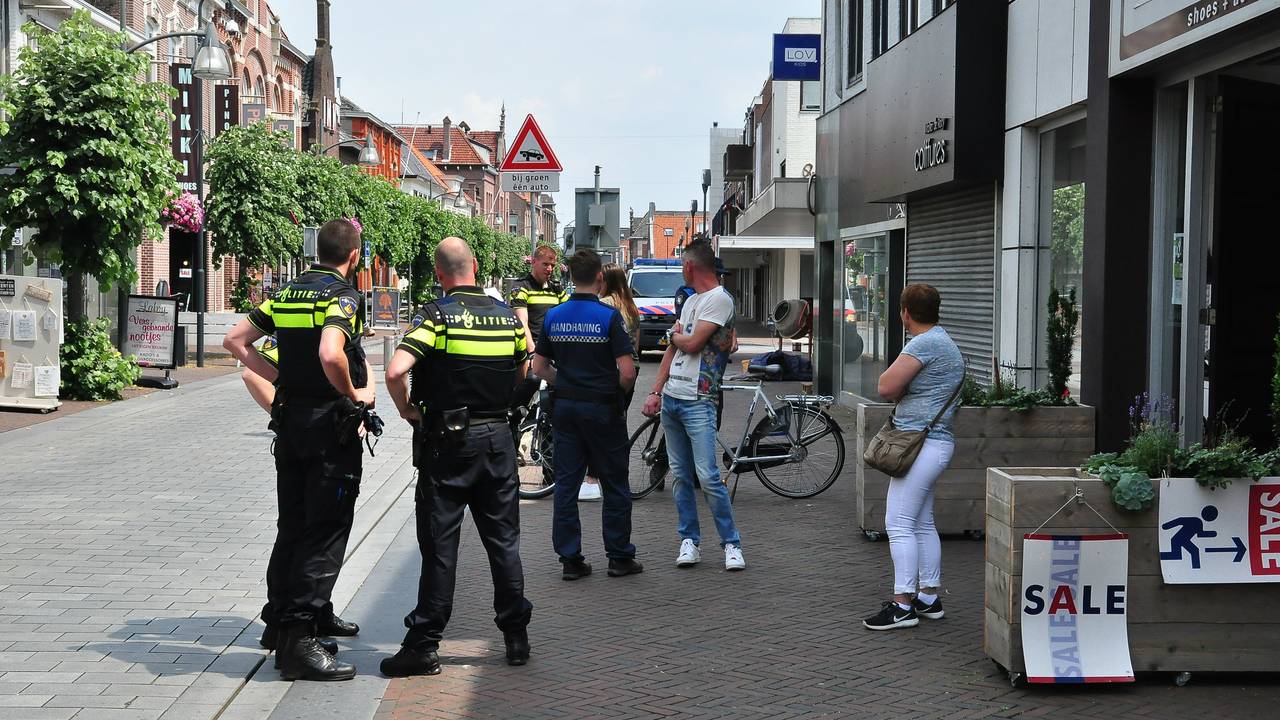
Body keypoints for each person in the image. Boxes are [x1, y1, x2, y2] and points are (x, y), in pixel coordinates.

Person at [223, 219, 373, 681]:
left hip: (292, 424)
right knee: (324, 532)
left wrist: (282, 380)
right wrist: (352, 394)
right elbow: (332, 352)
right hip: (329, 426)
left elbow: (234, 340)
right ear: (353, 257)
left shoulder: (286, 294)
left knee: (292, 525)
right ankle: (300, 642)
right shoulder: (343, 296)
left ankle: (281, 622)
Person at [381, 237, 533, 677]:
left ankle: (425, 645)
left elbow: (395, 370)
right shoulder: (507, 318)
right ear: (477, 266)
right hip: (498, 440)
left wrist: (409, 409)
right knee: (503, 542)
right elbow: (526, 368)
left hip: (447, 445)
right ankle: (516, 637)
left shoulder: (435, 316)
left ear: (439, 274)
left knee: (441, 548)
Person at [239, 337, 372, 666]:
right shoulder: (316, 309)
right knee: (307, 533)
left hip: (325, 433)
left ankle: (315, 613)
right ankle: (283, 622)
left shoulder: (337, 312)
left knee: (308, 532)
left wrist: (360, 400)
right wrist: (287, 411)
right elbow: (251, 373)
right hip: (313, 439)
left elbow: (356, 362)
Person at [532, 249, 640, 581]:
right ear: (599, 278)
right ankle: (619, 557)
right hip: (603, 409)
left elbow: (538, 367)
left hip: (566, 409)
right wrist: (615, 392)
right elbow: (628, 370)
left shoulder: (554, 315)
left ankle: (570, 560)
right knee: (615, 483)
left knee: (566, 484)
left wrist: (564, 382)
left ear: (569, 276)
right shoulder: (609, 318)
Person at [862, 283, 964, 631]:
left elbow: (885, 387)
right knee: (921, 522)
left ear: (905, 312)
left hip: (919, 444)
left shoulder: (925, 343)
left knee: (898, 523)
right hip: (935, 443)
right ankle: (929, 598)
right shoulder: (944, 342)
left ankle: (902, 605)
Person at [641, 239, 745, 571]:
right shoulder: (691, 302)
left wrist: (673, 337)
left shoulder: (720, 300)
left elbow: (693, 342)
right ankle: (690, 541)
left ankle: (732, 544)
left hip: (700, 399)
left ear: (690, 267)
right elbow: (674, 350)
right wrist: (656, 391)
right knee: (682, 476)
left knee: (708, 475)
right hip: (673, 398)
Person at [579, 263, 641, 501]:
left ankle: (593, 479)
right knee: (617, 422)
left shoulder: (604, 306)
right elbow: (635, 345)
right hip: (630, 370)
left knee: (598, 425)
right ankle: (618, 476)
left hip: (609, 370)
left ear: (604, 281)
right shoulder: (631, 307)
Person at [507, 245, 569, 438]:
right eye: (545, 264)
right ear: (533, 262)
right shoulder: (521, 288)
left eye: (552, 265)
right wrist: (533, 352)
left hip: (553, 350)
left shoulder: (557, 289)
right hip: (531, 347)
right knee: (532, 380)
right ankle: (512, 420)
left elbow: (567, 316)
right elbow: (522, 323)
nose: (549, 269)